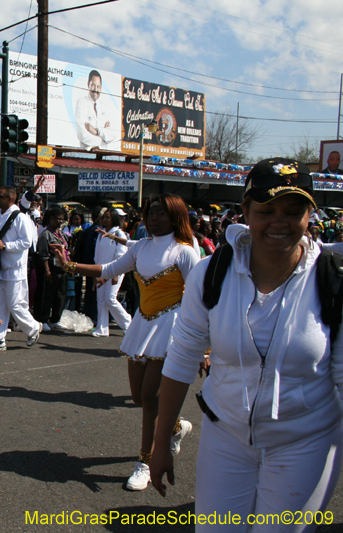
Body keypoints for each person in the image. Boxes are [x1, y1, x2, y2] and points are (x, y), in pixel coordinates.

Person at [151, 159, 343, 530]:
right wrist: (159, 445)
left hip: (305, 441)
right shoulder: (213, 272)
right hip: (226, 437)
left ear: (310, 215)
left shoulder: (331, 280)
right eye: (266, 210)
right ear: (246, 212)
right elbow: (181, 359)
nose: (279, 222)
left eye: (293, 211)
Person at [51, 193, 199, 491]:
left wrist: (204, 346)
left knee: (151, 399)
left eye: (161, 213)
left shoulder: (185, 252)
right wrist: (67, 264)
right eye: (151, 212)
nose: (154, 218)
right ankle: (176, 427)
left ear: (175, 216)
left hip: (171, 327)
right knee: (139, 397)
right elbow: (107, 271)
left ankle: (145, 462)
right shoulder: (141, 246)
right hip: (143, 324)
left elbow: (199, 298)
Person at [0, 186, 42, 352]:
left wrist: (6, 246)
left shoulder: (20, 217)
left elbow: (26, 242)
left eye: (0, 196)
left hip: (15, 268)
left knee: (16, 305)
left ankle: (33, 328)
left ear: (11, 198)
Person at [92, 207, 132, 337]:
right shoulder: (101, 235)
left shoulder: (120, 234)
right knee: (101, 300)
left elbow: (120, 255)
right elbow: (97, 256)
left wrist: (115, 274)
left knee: (110, 298)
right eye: (104, 217)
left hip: (115, 270)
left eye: (108, 217)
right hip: (102, 271)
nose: (105, 219)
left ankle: (127, 324)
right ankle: (102, 328)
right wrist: (96, 273)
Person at [34, 206, 68, 331]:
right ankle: (43, 319)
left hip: (62, 268)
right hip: (51, 268)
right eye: (58, 219)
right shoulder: (46, 234)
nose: (60, 222)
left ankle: (55, 319)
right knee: (46, 295)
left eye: (62, 220)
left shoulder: (61, 234)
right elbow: (43, 255)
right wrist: (47, 271)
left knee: (60, 295)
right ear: (52, 218)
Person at [74, 70, 119, 150]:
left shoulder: (105, 107)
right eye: (93, 85)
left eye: (98, 86)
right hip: (85, 154)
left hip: (103, 155)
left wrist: (97, 131)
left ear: (101, 88)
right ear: (88, 84)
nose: (95, 89)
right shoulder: (81, 103)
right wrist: (104, 140)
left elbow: (113, 134)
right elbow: (83, 135)